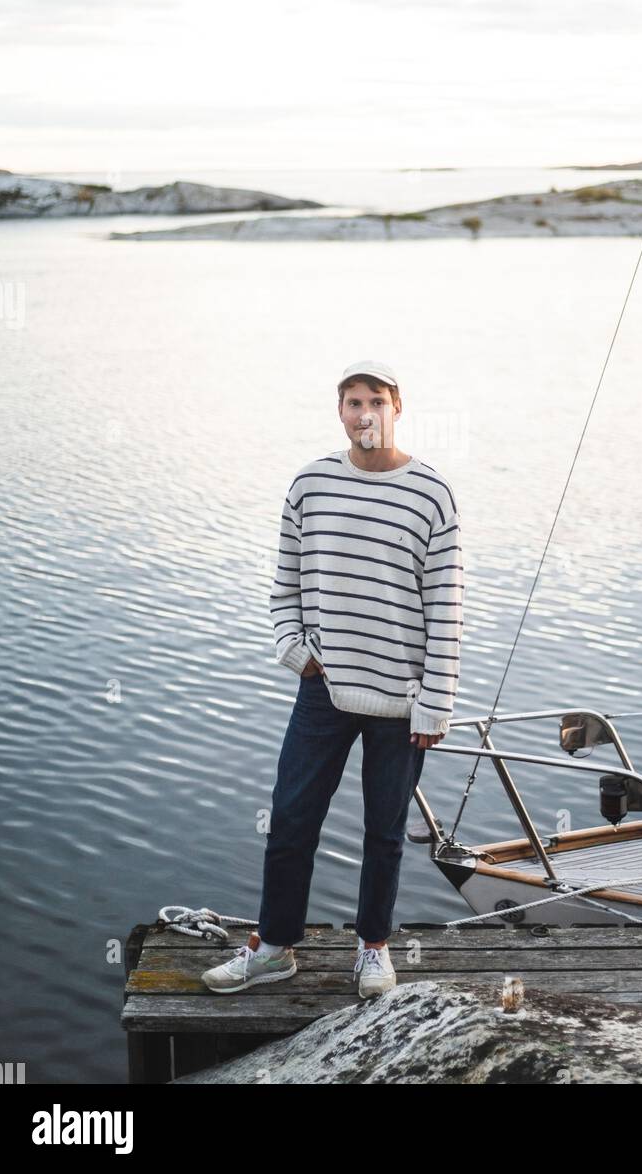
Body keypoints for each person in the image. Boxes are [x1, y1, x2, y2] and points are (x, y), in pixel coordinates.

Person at [202, 359, 464, 999]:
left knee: (384, 832)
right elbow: (284, 583)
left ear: (397, 406)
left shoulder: (432, 493)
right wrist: (296, 650)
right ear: (340, 411)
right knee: (291, 818)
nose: (364, 413)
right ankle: (274, 947)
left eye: (375, 400)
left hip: (400, 699)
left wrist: (435, 704)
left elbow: (447, 606)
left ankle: (373, 948)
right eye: (352, 402)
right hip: (323, 688)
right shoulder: (311, 483)